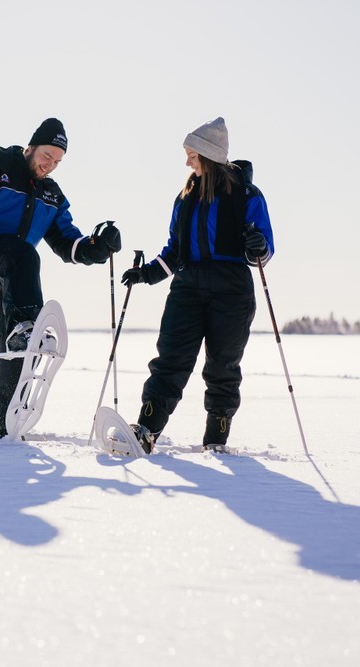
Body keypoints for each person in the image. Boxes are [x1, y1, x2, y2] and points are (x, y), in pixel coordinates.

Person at [0, 118, 122, 438]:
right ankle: (26, 327)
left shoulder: (50, 195)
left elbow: (68, 243)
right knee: (23, 255)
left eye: (57, 161)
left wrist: (97, 247)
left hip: (12, 278)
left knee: (18, 349)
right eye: (46, 156)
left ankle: (2, 428)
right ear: (31, 147)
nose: (49, 165)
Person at [121, 117, 274, 453]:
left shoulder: (246, 194)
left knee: (222, 365)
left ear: (208, 154)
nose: (187, 162)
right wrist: (146, 274)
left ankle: (216, 438)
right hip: (188, 286)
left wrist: (258, 246)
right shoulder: (185, 197)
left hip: (232, 288)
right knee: (171, 359)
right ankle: (146, 429)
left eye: (191, 154)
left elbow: (264, 249)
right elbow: (174, 250)